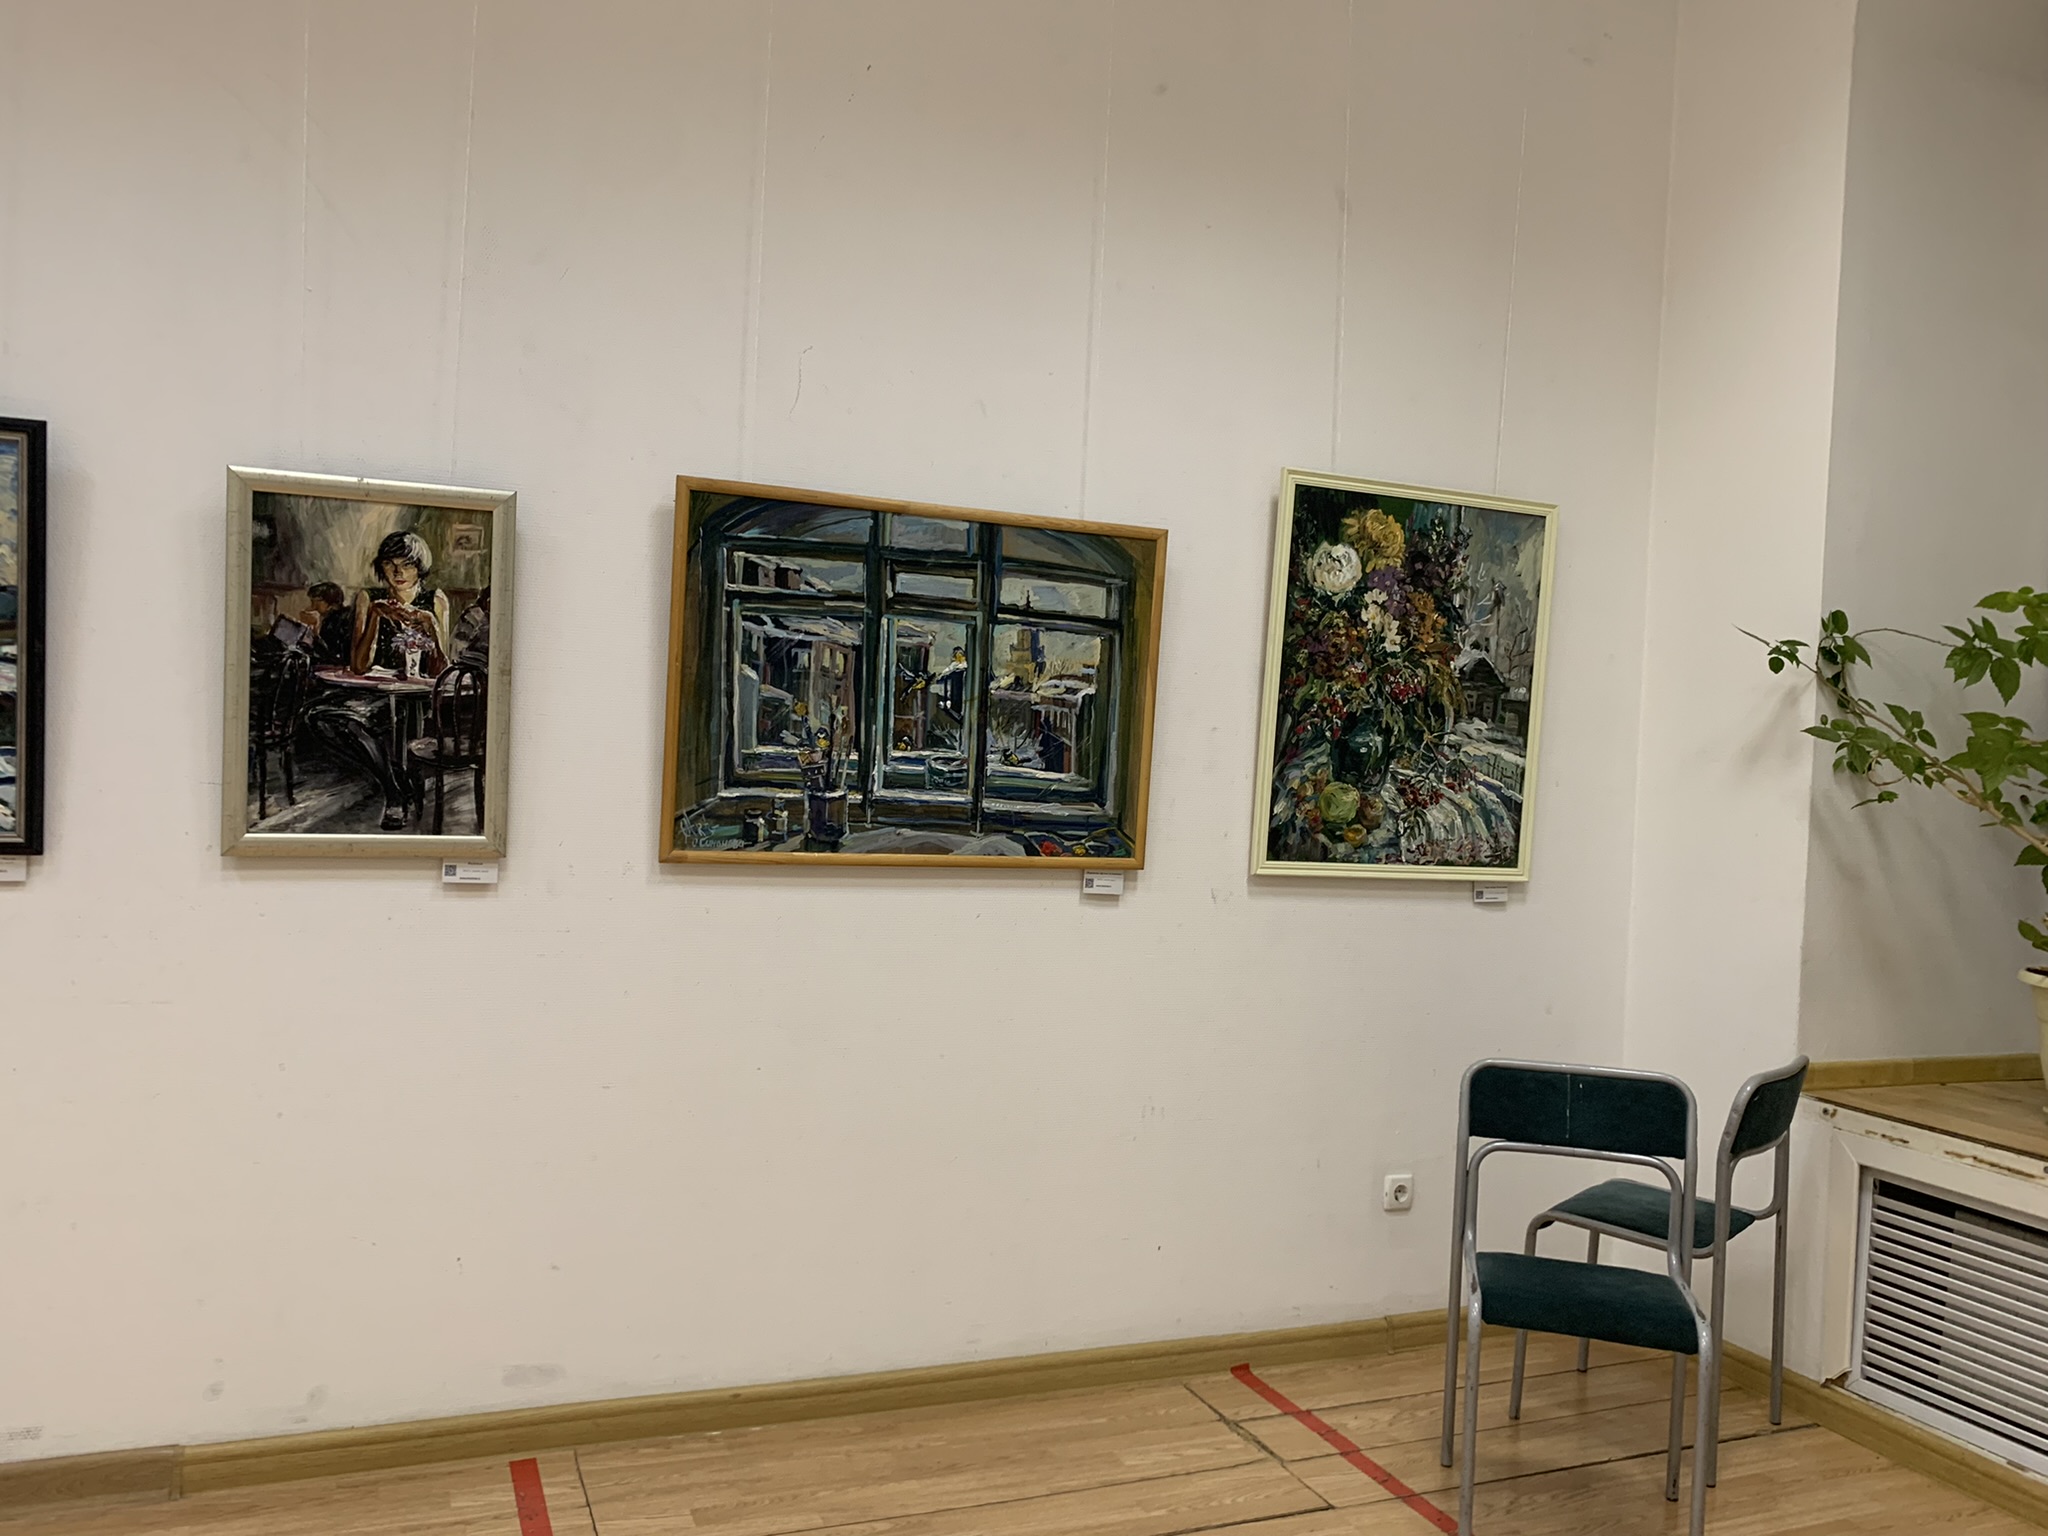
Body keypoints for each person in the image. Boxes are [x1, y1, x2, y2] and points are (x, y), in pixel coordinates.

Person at [305, 531, 452, 830]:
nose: (398, 573)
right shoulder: (369, 598)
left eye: (407, 564)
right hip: (375, 693)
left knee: (402, 723)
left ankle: (397, 795)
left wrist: (432, 626)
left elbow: (440, 670)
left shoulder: (435, 599)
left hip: (417, 697)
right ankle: (395, 788)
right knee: (320, 717)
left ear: (420, 567)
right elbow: (359, 666)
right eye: (390, 564)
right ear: (381, 567)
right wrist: (374, 617)